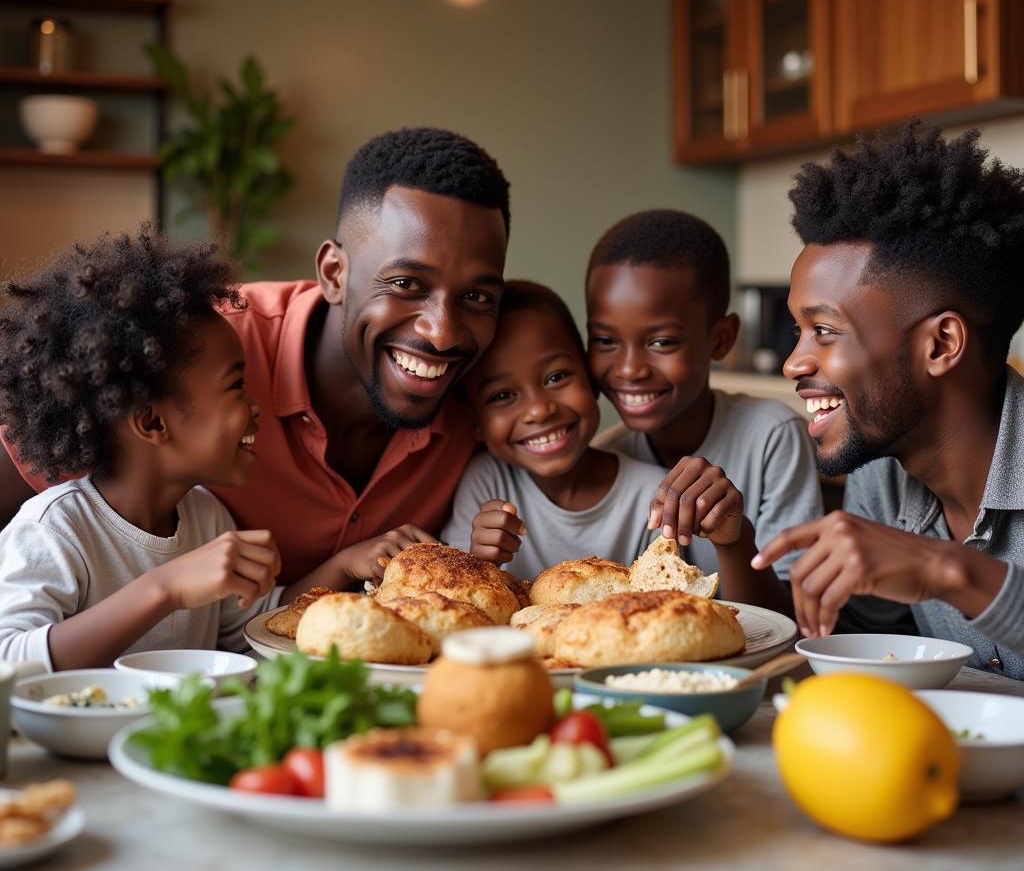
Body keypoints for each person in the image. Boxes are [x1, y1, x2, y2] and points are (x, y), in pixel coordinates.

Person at [0, 128, 511, 588]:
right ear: (333, 272)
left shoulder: (486, 389)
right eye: (405, 284)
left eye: (477, 297)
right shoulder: (192, 351)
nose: (441, 334)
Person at [752, 123, 1024, 679]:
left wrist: (948, 571)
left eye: (824, 331)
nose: (793, 363)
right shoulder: (879, 475)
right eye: (797, 332)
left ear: (941, 344)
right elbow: (880, 658)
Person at [0, 229, 282, 670]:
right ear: (153, 422)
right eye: (236, 386)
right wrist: (164, 588)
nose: (255, 407)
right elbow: (8, 663)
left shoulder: (208, 519)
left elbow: (261, 633)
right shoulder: (54, 531)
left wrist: (344, 566)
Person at [441, 281, 782, 605]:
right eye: (502, 395)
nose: (539, 409)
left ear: (591, 379)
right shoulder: (485, 482)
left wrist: (732, 539)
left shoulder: (657, 493)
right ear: (475, 423)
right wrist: (478, 559)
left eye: (556, 377)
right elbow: (455, 603)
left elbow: (710, 604)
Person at [586, 209, 818, 607]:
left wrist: (735, 539)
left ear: (721, 338)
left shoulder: (773, 438)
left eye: (661, 343)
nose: (628, 370)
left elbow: (798, 620)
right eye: (605, 341)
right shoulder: (608, 458)